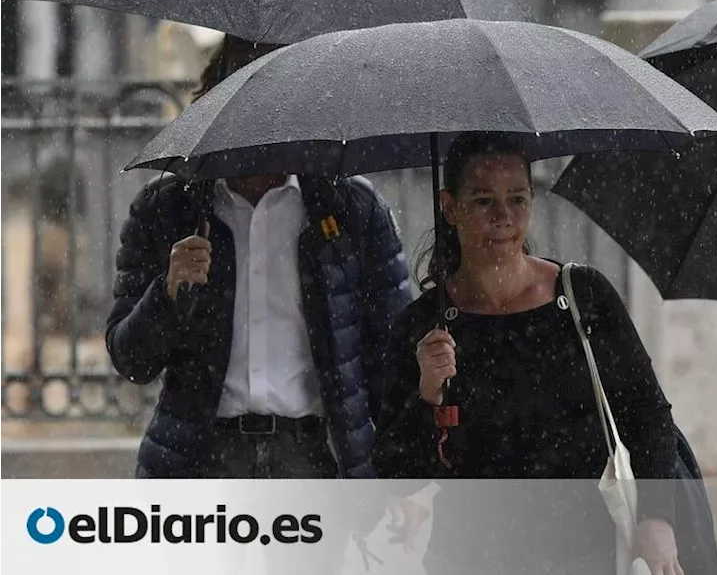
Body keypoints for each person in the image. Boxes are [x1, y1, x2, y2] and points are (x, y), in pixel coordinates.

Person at [372, 132, 683, 574]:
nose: (503, 217)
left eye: (517, 199)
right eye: (482, 201)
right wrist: (428, 393)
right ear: (449, 207)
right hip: (471, 557)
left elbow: (648, 414)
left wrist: (656, 517)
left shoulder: (584, 298)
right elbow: (397, 471)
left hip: (587, 550)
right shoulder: (425, 327)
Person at [105, 34, 412, 479]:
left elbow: (392, 354)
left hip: (314, 461)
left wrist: (400, 474)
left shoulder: (350, 208)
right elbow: (132, 361)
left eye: (275, 107)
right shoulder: (167, 209)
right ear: (214, 108)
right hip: (200, 463)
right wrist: (168, 294)